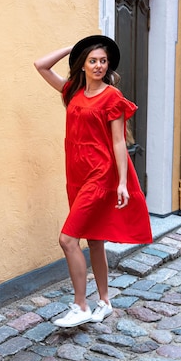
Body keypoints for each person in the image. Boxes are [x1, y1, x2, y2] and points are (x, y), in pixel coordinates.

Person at [34, 35, 153, 328]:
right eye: (93, 60)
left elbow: (118, 143)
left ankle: (80, 305)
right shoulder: (72, 91)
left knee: (67, 239)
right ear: (83, 65)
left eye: (103, 61)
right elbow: (41, 66)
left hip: (100, 176)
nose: (99, 65)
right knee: (94, 240)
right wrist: (71, 48)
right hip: (75, 176)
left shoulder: (112, 96)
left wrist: (122, 182)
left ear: (108, 65)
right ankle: (105, 301)